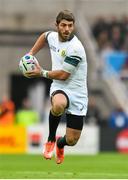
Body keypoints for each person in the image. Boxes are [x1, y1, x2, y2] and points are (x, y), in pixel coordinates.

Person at [24, 10, 88, 164]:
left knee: (72, 140)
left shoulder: (76, 48)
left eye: (70, 26)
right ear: (57, 25)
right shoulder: (52, 37)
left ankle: (60, 143)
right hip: (60, 87)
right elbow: (44, 36)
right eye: (64, 25)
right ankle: (51, 139)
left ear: (73, 27)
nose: (67, 29)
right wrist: (31, 53)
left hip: (78, 92)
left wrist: (41, 72)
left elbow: (63, 75)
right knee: (58, 104)